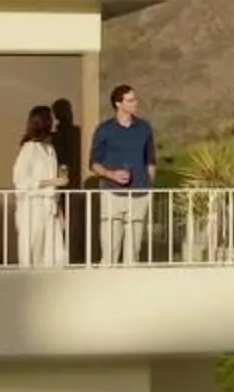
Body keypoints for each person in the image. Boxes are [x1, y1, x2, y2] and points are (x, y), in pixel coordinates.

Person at [88, 82, 158, 264]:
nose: (135, 103)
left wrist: (150, 187)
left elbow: (150, 160)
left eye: (135, 99)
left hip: (139, 193)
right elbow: (94, 163)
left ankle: (130, 279)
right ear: (118, 104)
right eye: (130, 100)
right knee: (110, 249)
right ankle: (107, 278)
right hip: (112, 193)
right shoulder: (105, 130)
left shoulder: (144, 128)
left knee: (133, 250)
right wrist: (111, 175)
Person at [10, 106, 67, 267]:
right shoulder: (29, 149)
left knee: (54, 252)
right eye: (50, 118)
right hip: (33, 206)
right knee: (34, 248)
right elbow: (20, 181)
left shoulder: (50, 149)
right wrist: (51, 182)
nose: (54, 122)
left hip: (51, 207)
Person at [50, 98, 87, 264]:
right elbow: (63, 161)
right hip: (64, 184)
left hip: (70, 184)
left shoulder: (72, 134)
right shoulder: (60, 136)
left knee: (72, 222)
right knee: (63, 221)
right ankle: (66, 255)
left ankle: (72, 255)